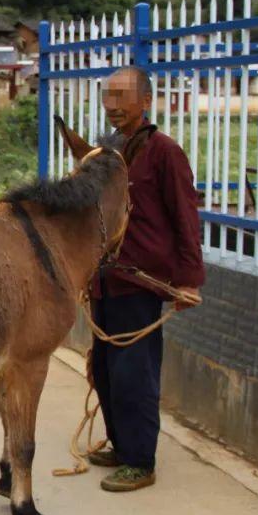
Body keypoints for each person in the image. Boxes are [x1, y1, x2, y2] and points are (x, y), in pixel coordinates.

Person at [88, 65, 204, 492]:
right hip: (104, 277)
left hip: (142, 281)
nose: (113, 105)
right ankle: (121, 445)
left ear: (147, 101)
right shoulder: (109, 154)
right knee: (104, 369)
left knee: (134, 372)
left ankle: (141, 460)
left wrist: (189, 281)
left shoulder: (164, 152)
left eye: (123, 96)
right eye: (109, 95)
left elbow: (186, 218)